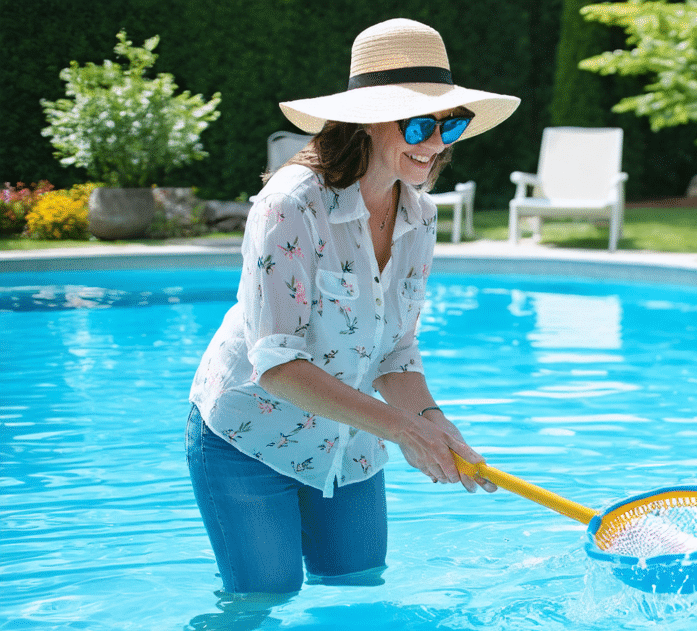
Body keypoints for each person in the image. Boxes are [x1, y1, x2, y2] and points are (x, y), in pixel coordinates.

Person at [186, 18, 519, 595]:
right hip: (249, 436)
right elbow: (279, 364)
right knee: (261, 604)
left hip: (352, 441)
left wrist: (435, 425)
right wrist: (404, 431)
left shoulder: (421, 214)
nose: (436, 143)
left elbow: (396, 354)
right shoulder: (292, 205)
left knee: (359, 591)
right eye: (418, 124)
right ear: (367, 122)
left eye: (451, 124)